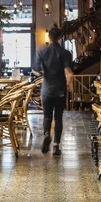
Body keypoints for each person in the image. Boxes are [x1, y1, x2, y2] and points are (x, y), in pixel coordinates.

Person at [33, 25, 74, 156]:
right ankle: (56, 146)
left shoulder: (41, 52)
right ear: (60, 37)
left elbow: (35, 71)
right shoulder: (65, 53)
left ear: (49, 37)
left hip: (46, 89)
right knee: (58, 118)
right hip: (60, 89)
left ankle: (47, 134)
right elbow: (70, 74)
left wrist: (43, 74)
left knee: (47, 116)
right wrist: (68, 84)